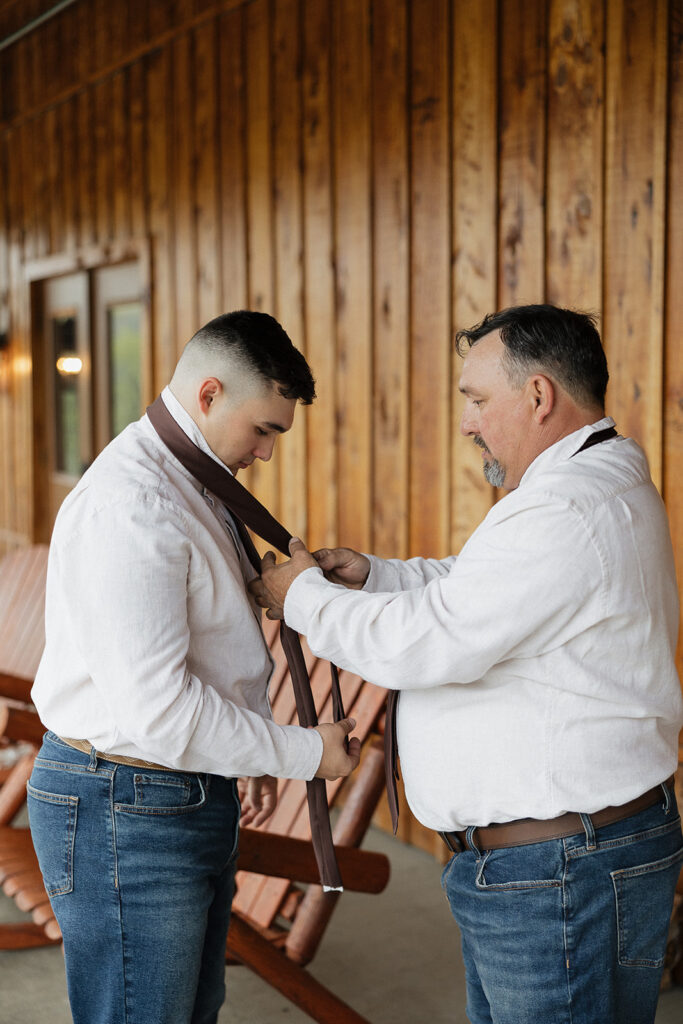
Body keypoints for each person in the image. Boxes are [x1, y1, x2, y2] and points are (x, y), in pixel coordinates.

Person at [252, 304, 683, 1024]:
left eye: (478, 400)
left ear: (538, 395)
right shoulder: (585, 487)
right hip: (561, 862)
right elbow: (478, 586)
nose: (467, 422)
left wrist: (301, 598)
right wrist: (378, 576)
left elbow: (432, 641)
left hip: (556, 874)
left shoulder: (565, 509)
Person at [27, 310, 360, 1024]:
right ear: (208, 394)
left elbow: (194, 634)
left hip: (162, 793)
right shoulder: (134, 504)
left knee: (181, 1011)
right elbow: (161, 708)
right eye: (263, 429)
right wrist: (303, 751)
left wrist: (276, 593)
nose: (267, 453)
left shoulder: (189, 479)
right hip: (126, 802)